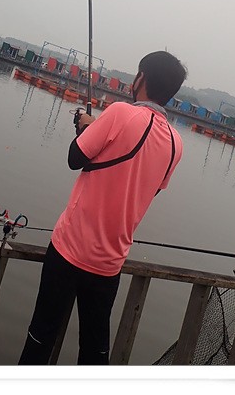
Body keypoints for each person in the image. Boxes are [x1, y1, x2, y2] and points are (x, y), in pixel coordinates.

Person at [18, 50, 187, 365]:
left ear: (141, 78)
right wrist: (97, 130)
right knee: (95, 352)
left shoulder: (120, 112)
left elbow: (75, 158)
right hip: (110, 264)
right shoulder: (176, 144)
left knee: (41, 337)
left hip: (69, 250)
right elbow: (142, 188)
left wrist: (85, 129)